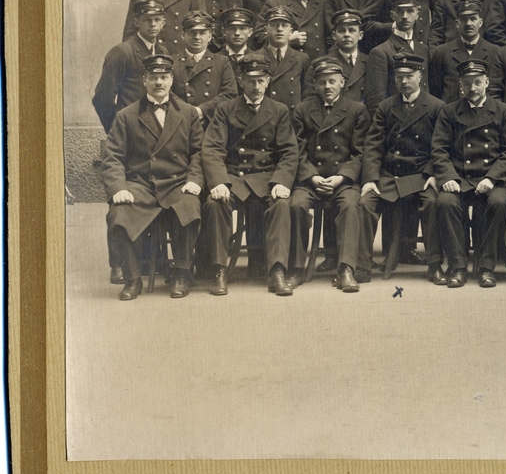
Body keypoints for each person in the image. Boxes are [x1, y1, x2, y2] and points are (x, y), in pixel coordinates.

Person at [100, 54, 205, 300]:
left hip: (177, 183)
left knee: (190, 206)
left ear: (171, 80)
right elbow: (112, 156)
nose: (159, 82)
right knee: (118, 213)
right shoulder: (126, 115)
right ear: (144, 80)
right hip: (141, 185)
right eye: (153, 77)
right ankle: (132, 278)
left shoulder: (188, 113)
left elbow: (199, 153)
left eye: (164, 77)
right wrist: (118, 187)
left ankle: (181, 273)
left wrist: (194, 180)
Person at [200, 54, 300, 296]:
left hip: (266, 178)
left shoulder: (279, 110)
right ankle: (219, 270)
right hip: (234, 177)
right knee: (214, 203)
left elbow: (289, 151)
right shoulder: (225, 109)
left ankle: (277, 270)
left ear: (268, 81)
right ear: (240, 80)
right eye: (250, 81)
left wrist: (281, 181)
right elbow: (212, 148)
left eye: (261, 81)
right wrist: (219, 181)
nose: (256, 86)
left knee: (282, 203)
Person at [430, 60, 506, 288]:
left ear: (487, 83)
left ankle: (486, 268)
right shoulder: (449, 111)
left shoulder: (503, 111)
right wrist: (449, 177)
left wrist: (492, 178)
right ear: (460, 85)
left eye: (478, 82)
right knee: (445, 202)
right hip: (460, 177)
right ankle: (458, 267)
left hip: (492, 178)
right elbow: (439, 149)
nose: (473, 88)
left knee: (499, 203)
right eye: (467, 83)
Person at [361, 55, 447, 284]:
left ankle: (435, 264)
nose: (404, 81)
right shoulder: (386, 106)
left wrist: (432, 174)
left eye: (409, 76)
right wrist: (371, 178)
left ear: (420, 76)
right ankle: (362, 264)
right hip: (390, 174)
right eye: (399, 77)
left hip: (420, 175)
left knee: (431, 203)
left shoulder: (436, 106)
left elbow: (441, 146)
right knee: (366, 203)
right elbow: (373, 145)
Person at [289, 56, 370, 293]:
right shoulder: (302, 110)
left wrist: (342, 177)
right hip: (311, 179)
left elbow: (360, 152)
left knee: (350, 206)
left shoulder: (357, 110)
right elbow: (297, 151)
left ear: (342, 82)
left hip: (342, 179)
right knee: (296, 205)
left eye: (332, 81)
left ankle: (346, 269)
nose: (327, 86)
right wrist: (312, 177)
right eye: (322, 82)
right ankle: (296, 268)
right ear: (315, 84)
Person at [94, 0, 166, 135]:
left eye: (157, 19)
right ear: (136, 22)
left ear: (163, 23)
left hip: (157, 130)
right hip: (130, 130)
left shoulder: (163, 52)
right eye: (147, 20)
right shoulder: (122, 52)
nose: (152, 24)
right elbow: (102, 97)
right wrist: (116, 130)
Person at [364, 0, 431, 114]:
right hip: (395, 120)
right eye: (400, 11)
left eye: (410, 11)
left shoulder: (423, 49)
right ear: (392, 15)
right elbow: (376, 102)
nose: (405, 16)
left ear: (417, 14)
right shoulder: (380, 52)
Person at [428, 0, 505, 104]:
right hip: (451, 112)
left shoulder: (495, 52)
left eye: (473, 19)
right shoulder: (441, 52)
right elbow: (435, 92)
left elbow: (497, 91)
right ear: (457, 23)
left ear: (480, 22)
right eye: (463, 19)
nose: (468, 23)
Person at [171, 10, 237, 122]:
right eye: (192, 33)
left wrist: (202, 111)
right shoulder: (172, 63)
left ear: (210, 36)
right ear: (183, 35)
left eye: (202, 33)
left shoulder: (222, 62)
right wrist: (188, 111)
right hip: (181, 121)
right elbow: (167, 93)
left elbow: (230, 94)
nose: (197, 37)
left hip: (212, 123)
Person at [255, 7, 312, 112]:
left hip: (292, 117)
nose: (279, 29)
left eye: (284, 25)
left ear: (291, 31)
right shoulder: (255, 57)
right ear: (266, 29)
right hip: (265, 117)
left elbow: (308, 95)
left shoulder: (302, 59)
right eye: (274, 25)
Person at [320, 9, 367, 104]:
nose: (346, 34)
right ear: (334, 35)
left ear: (360, 35)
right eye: (341, 31)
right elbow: (311, 101)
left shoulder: (371, 62)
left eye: (352, 30)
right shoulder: (321, 64)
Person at [219, 7, 256, 72]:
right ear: (223, 31)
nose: (237, 33)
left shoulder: (257, 59)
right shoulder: (215, 59)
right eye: (232, 28)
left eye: (242, 28)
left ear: (250, 32)